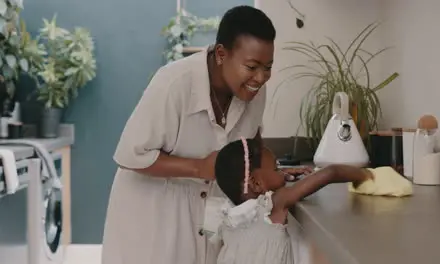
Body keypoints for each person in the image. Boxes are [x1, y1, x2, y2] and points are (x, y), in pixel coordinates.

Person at [101, 5, 309, 264]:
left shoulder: (254, 92)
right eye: (252, 66)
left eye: (268, 67)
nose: (261, 77)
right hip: (153, 216)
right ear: (221, 54)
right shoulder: (174, 83)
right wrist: (200, 167)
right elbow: (130, 155)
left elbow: (250, 143)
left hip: (208, 216)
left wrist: (271, 172)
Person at [213, 138, 372, 264]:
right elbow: (331, 172)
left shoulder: (232, 217)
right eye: (276, 168)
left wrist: (277, 176)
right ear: (255, 183)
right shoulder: (271, 206)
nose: (281, 171)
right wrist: (366, 175)